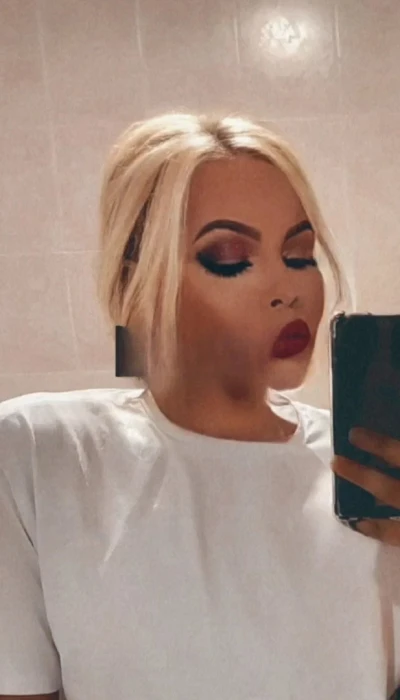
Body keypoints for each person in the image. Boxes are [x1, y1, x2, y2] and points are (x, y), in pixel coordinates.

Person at [1, 112, 400, 700]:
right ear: (138, 283)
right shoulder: (41, 452)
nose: (288, 289)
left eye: (300, 254)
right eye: (230, 258)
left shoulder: (369, 473)